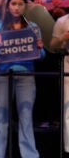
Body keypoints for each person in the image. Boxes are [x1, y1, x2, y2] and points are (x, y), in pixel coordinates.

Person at [0, 0, 42, 158]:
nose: (17, 7)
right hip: (4, 75)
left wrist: (40, 47)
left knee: (26, 117)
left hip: (26, 75)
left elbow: (41, 56)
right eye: (13, 4)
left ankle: (30, 155)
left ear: (24, 6)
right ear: (8, 6)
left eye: (20, 4)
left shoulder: (33, 27)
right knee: (1, 117)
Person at [50, 12, 69, 153]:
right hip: (68, 65)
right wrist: (63, 37)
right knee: (68, 111)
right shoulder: (62, 21)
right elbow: (53, 45)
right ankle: (68, 149)